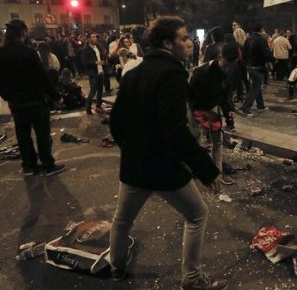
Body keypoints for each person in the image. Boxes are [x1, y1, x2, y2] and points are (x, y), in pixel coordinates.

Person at [108, 16, 226, 289]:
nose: (188, 43)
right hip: (163, 167)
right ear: (167, 43)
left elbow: (115, 122)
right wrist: (206, 169)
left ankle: (116, 269)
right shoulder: (171, 75)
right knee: (197, 215)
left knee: (122, 221)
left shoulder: (134, 71)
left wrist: (132, 148)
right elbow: (176, 130)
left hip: (135, 165)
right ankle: (192, 279)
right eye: (183, 38)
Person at [0, 20, 65, 176]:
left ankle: (29, 165)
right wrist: (55, 96)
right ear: (23, 32)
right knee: (43, 134)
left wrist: (7, 97)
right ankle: (47, 165)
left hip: (16, 103)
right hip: (35, 100)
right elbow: (41, 77)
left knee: (23, 135)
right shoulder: (28, 52)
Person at [189, 42, 238, 183]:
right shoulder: (200, 72)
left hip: (212, 108)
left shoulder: (230, 71)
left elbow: (225, 95)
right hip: (197, 108)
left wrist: (229, 110)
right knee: (195, 140)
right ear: (219, 56)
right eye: (226, 65)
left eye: (231, 65)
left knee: (218, 142)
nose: (227, 68)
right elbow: (190, 96)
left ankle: (217, 174)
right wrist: (199, 116)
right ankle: (195, 169)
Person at [238, 23, 272, 117]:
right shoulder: (261, 40)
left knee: (256, 86)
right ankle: (245, 108)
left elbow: (244, 53)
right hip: (258, 67)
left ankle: (260, 106)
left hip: (249, 66)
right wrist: (272, 59)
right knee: (255, 88)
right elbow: (267, 54)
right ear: (261, 30)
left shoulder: (248, 40)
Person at [81, 32, 106, 115]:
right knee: (93, 91)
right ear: (89, 39)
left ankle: (98, 106)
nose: (95, 38)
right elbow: (85, 62)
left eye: (96, 36)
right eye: (93, 37)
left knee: (100, 91)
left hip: (100, 71)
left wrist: (103, 61)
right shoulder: (86, 50)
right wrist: (95, 62)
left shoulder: (97, 47)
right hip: (93, 73)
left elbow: (101, 57)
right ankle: (88, 108)